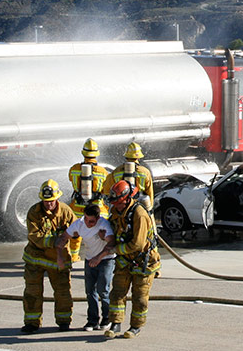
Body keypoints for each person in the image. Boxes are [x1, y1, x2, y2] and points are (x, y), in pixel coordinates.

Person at [101, 180, 161, 339]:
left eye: (118, 203)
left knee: (140, 297)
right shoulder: (116, 211)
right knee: (117, 293)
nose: (116, 206)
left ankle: (135, 326)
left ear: (127, 199)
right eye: (114, 203)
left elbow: (138, 244)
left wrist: (115, 249)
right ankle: (115, 324)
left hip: (143, 261)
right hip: (125, 259)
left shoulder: (139, 214)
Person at [21, 179, 76, 333]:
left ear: (57, 198)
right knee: (32, 292)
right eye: (45, 201)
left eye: (51, 201)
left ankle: (64, 321)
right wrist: (54, 241)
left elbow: (76, 231)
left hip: (57, 260)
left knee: (63, 292)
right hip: (35, 258)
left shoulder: (66, 212)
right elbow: (34, 236)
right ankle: (32, 323)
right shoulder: (34, 212)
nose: (48, 204)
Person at [56, 203, 116, 331]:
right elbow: (63, 238)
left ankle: (107, 318)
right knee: (90, 291)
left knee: (103, 290)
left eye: (92, 221)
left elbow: (111, 243)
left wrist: (98, 257)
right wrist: (59, 256)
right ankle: (93, 320)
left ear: (98, 217)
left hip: (105, 259)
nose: (89, 224)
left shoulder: (103, 225)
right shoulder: (80, 224)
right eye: (87, 220)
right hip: (90, 260)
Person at [67, 138, 111, 261]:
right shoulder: (103, 172)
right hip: (97, 208)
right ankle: (101, 256)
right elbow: (105, 190)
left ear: (83, 153)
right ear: (96, 154)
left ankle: (74, 256)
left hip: (77, 208)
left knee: (75, 232)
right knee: (102, 232)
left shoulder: (74, 169)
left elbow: (72, 180)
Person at [107, 142, 154, 211]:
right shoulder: (145, 172)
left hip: (122, 206)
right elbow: (150, 193)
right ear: (138, 157)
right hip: (140, 206)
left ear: (126, 156)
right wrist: (149, 209)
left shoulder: (117, 171)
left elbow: (107, 190)